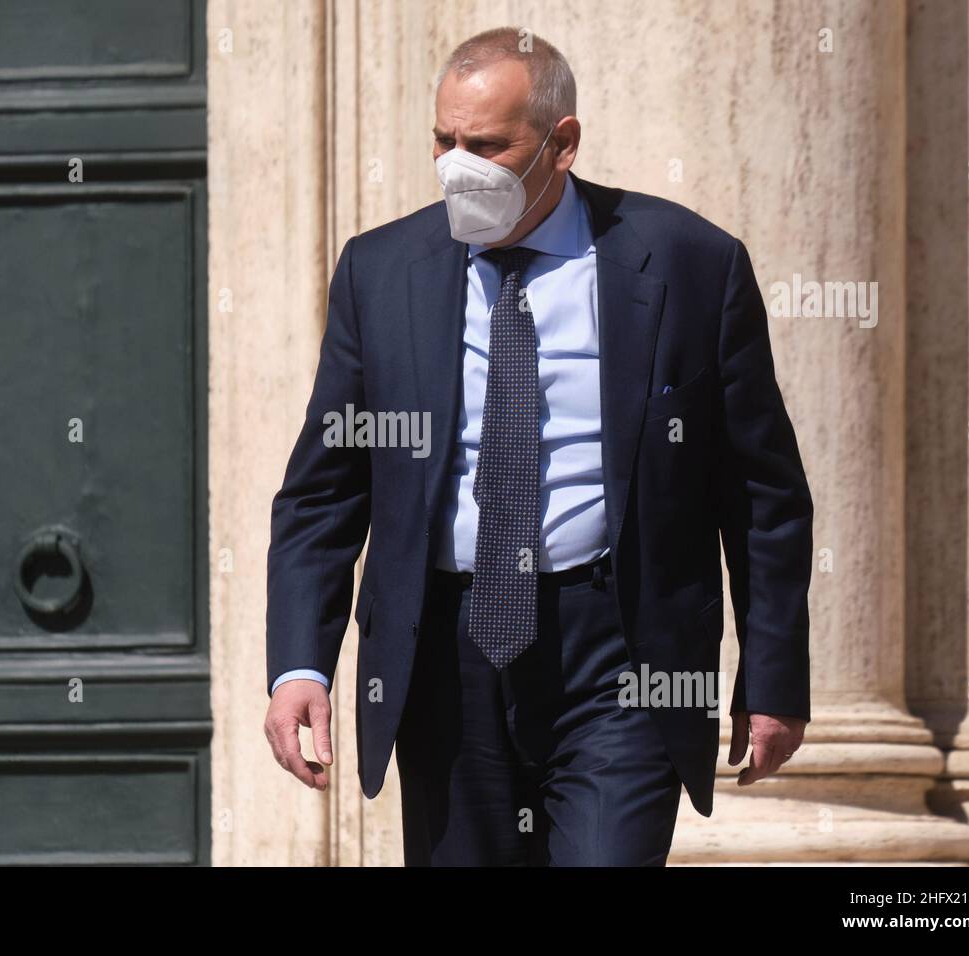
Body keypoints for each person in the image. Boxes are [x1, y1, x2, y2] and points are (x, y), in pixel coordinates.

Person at [263, 26, 813, 866]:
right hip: (447, 654)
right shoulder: (382, 270)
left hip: (621, 656)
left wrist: (772, 677)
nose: (458, 164)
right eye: (443, 141)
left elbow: (762, 494)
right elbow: (324, 490)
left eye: (486, 145)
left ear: (562, 145)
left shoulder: (690, 263)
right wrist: (300, 664)